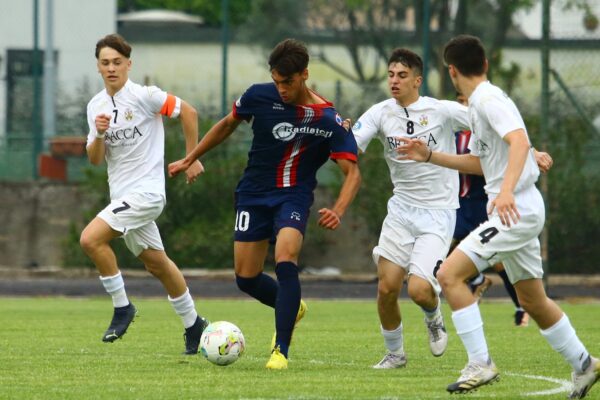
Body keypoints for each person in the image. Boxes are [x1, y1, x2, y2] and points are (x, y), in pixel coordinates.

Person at [398, 34, 598, 398]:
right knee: (533, 301)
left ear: (452, 71)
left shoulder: (488, 99)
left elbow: (519, 141)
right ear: (485, 64)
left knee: (449, 275)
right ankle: (586, 365)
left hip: (515, 209)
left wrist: (505, 192)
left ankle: (480, 363)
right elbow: (479, 162)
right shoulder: (477, 105)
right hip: (519, 208)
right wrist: (430, 156)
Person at [168, 38, 361, 370]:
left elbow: (352, 171)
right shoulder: (259, 95)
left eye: (287, 82)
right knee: (246, 277)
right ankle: (292, 306)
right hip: (253, 194)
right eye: (277, 81)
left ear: (304, 75)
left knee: (286, 258)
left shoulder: (328, 119)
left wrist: (339, 209)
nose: (281, 89)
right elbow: (227, 124)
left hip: (293, 196)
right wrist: (191, 157)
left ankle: (280, 350)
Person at [80, 34, 209, 355]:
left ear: (128, 65)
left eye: (117, 62)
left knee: (90, 239)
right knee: (158, 265)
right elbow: (95, 159)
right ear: (98, 67)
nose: (111, 68)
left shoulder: (145, 96)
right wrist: (98, 133)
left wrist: (191, 157)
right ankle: (195, 325)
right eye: (105, 63)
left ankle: (122, 307)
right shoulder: (95, 106)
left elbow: (189, 112)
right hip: (122, 199)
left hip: (147, 194)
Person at [351, 48, 470, 369]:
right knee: (387, 287)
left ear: (417, 80)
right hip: (401, 210)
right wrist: (338, 134)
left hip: (437, 213)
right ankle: (395, 354)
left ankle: (433, 315)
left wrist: (529, 151)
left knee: (418, 290)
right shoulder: (380, 113)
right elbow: (350, 145)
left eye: (402, 75)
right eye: (390, 75)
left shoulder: (442, 111)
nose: (394, 81)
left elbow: (494, 125)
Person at [453, 92, 554, 327]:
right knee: (447, 254)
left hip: (483, 201)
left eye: (466, 102)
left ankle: (520, 306)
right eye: (459, 102)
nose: (463, 107)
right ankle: (481, 282)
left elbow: (516, 143)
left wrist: (534, 153)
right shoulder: (454, 132)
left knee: (496, 262)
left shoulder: (488, 125)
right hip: (459, 204)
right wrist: (428, 157)